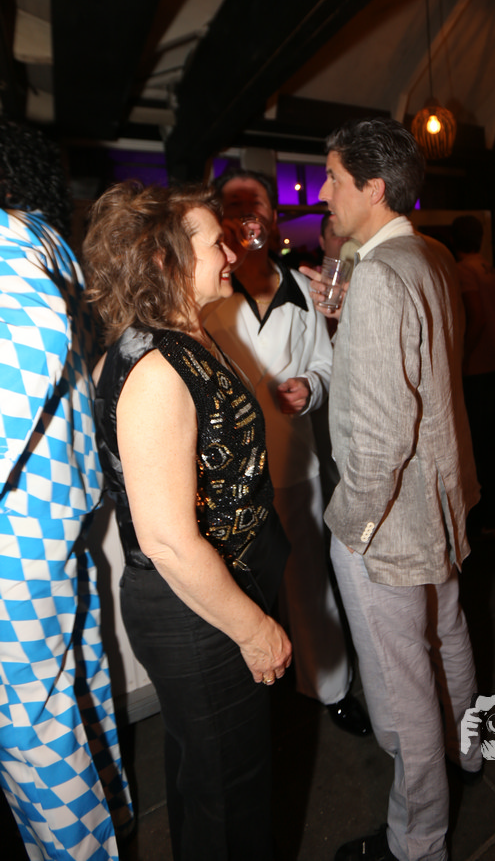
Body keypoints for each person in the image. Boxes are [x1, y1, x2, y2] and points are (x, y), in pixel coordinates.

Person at [83, 182, 292, 861]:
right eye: (214, 242)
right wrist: (254, 630)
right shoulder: (156, 368)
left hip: (213, 592)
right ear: (163, 258)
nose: (232, 253)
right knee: (230, 799)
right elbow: (169, 542)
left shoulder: (181, 337)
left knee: (208, 783)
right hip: (197, 609)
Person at [306, 117, 482, 861]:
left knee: (402, 694)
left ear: (373, 188)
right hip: (437, 500)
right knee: (449, 635)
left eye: (333, 178)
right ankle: (472, 750)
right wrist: (348, 319)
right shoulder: (426, 252)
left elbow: (378, 441)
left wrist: (348, 528)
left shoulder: (380, 273)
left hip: (387, 521)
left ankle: (419, 842)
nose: (323, 193)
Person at [0, 123, 132, 861]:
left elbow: (30, 345)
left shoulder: (8, 245)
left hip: (16, 544)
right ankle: (114, 816)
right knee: (70, 702)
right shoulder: (48, 245)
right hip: (52, 521)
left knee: (36, 738)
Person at [204, 169, 370, 735]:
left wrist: (311, 389)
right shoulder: (207, 289)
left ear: (274, 217)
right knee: (236, 588)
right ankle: (251, 696)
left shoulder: (302, 286)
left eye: (255, 205)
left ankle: (330, 686)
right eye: (234, 206)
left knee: (308, 579)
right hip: (227, 474)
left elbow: (326, 363)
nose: (246, 216)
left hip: (294, 464)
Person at [450, 214, 495, 536]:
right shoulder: (486, 266)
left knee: (482, 446)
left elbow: (477, 317)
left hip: (480, 365)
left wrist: (462, 355)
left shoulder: (464, 270)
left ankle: (494, 519)